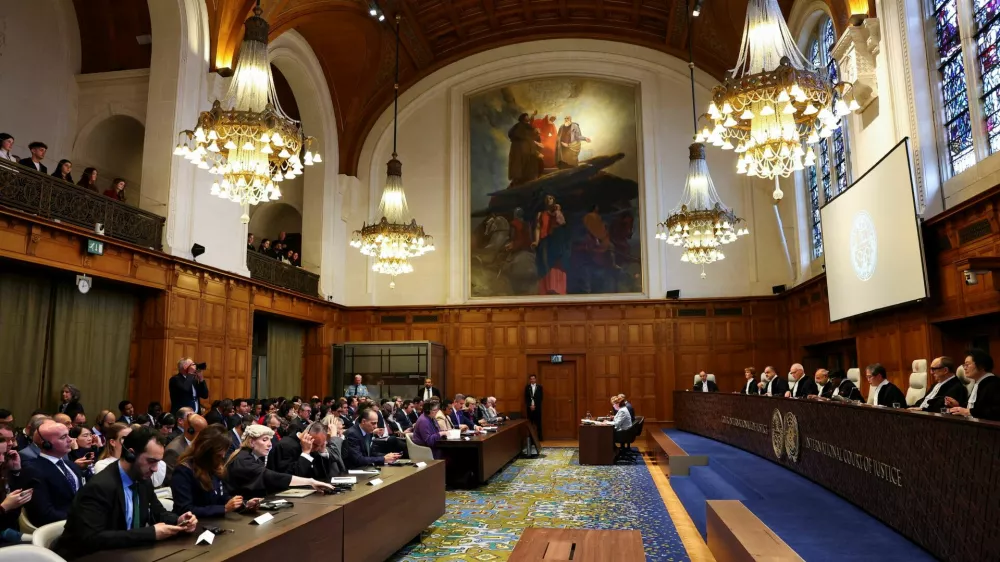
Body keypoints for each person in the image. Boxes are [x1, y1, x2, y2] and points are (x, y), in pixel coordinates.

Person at [53, 427, 198, 560]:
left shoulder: (143, 480)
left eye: (158, 462)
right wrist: (150, 533)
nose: (155, 469)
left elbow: (157, 513)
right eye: (151, 461)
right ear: (130, 454)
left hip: (124, 553)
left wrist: (179, 520)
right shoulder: (100, 486)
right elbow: (91, 539)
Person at [171, 425, 260, 519]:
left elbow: (222, 497)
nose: (223, 455)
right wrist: (224, 509)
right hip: (194, 526)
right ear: (207, 449)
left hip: (215, 523)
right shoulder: (183, 470)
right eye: (220, 450)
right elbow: (185, 510)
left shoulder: (214, 466)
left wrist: (243, 504)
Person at [224, 424, 333, 499]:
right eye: (264, 440)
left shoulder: (254, 457)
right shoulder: (243, 459)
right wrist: (310, 481)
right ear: (252, 442)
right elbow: (271, 476)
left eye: (270, 440)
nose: (270, 444)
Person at [16, 419, 84, 526]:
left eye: (68, 435)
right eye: (63, 437)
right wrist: (81, 518)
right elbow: (44, 514)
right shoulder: (33, 470)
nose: (70, 440)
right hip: (58, 528)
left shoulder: (71, 465)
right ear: (46, 444)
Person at [268, 420, 340, 481]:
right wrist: (305, 453)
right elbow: (289, 478)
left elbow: (323, 475)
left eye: (320, 445)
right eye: (315, 444)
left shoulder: (316, 446)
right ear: (306, 434)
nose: (317, 448)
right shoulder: (285, 446)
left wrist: (322, 452)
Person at [0, 424, 32, 545]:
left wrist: (16, 471)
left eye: (12, 439)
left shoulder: (7, 463)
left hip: (9, 527)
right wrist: (3, 507)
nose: (2, 459)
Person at [532, 194, 569, 295]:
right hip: (545, 240)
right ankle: (546, 287)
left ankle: (556, 287)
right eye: (548, 198)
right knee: (545, 262)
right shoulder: (541, 214)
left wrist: (558, 211)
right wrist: (536, 241)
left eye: (552, 198)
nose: (550, 200)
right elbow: (538, 228)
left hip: (556, 240)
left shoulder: (557, 213)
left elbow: (562, 223)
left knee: (557, 263)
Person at [947, 349, 1000, 420]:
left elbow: (996, 411)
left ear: (981, 366)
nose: (964, 368)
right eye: (964, 365)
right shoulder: (977, 383)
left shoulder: (995, 384)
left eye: (967, 364)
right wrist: (958, 405)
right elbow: (976, 407)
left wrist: (969, 412)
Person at [507, 112, 543, 186]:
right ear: (523, 118)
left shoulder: (526, 127)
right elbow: (525, 135)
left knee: (529, 164)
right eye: (527, 117)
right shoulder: (520, 127)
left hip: (526, 149)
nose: (528, 118)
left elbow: (530, 133)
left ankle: (527, 179)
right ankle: (520, 179)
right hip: (521, 150)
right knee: (521, 166)